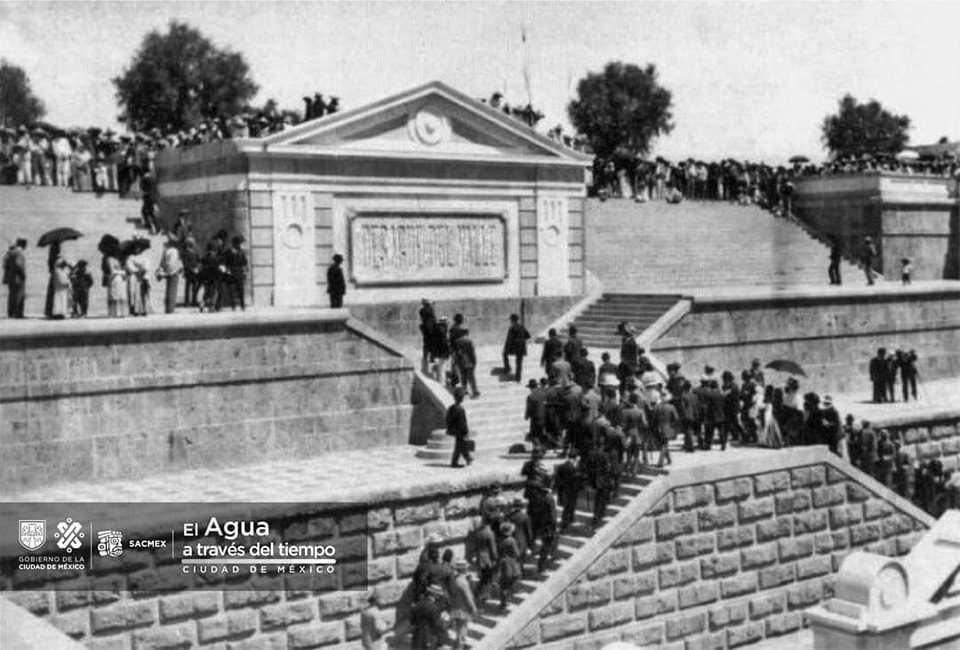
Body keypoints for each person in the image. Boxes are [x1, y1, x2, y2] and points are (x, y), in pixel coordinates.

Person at [465, 517, 497, 605]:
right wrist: (495, 558)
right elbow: (492, 548)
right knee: (487, 578)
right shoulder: (489, 533)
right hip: (487, 558)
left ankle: (483, 594)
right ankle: (482, 595)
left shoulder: (476, 533)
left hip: (479, 557)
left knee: (484, 576)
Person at [447, 559, 476, 649]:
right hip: (462, 609)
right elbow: (468, 597)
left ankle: (458, 645)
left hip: (455, 607)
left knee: (459, 629)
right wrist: (473, 608)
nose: (467, 569)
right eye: (466, 568)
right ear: (463, 569)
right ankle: (459, 647)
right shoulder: (463, 582)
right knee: (462, 630)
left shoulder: (454, 579)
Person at [410, 584, 447, 649]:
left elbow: (412, 621)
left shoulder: (417, 604)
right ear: (435, 595)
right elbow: (438, 626)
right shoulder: (434, 608)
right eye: (439, 595)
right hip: (429, 638)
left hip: (416, 637)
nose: (439, 597)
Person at [553, 449, 580, 533]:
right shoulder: (573, 468)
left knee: (567, 508)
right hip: (571, 491)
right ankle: (564, 526)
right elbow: (576, 480)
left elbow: (557, 479)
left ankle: (569, 521)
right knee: (568, 508)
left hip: (563, 490)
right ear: (575, 458)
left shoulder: (561, 466)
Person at [497, 521, 521, 610]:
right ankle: (508, 598)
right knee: (512, 580)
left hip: (501, 563)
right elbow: (517, 553)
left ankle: (503, 602)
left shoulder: (499, 539)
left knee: (503, 584)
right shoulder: (511, 540)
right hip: (510, 564)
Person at [446, 388, 472, 468]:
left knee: (459, 446)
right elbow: (463, 423)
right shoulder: (460, 410)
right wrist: (466, 432)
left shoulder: (451, 408)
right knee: (461, 445)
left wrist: (450, 428)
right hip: (460, 431)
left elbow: (447, 419)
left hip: (454, 430)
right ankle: (466, 458)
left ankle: (465, 459)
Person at [502, 313, 530, 382]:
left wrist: (506, 348)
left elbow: (509, 340)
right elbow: (528, 336)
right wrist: (521, 340)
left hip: (514, 347)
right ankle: (518, 377)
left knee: (504, 354)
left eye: (511, 320)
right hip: (521, 348)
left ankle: (507, 368)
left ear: (512, 320)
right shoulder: (522, 327)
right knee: (519, 363)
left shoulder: (512, 328)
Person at [3, 239, 27, 318]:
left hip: (10, 278)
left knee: (11, 296)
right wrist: (23, 274)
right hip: (18, 278)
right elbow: (19, 264)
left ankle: (11, 313)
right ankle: (18, 313)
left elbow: (4, 265)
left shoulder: (9, 253)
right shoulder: (19, 253)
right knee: (19, 295)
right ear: (23, 245)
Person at [157, 239, 182, 314]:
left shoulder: (166, 250)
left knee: (168, 290)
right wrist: (175, 270)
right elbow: (173, 263)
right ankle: (171, 308)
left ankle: (167, 307)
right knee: (173, 291)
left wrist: (163, 271)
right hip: (173, 271)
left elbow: (162, 261)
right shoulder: (174, 251)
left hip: (167, 270)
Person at [223, 235, 248, 310]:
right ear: (236, 244)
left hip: (239, 273)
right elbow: (224, 263)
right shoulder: (228, 252)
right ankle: (233, 305)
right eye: (241, 243)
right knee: (231, 290)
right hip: (231, 273)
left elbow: (245, 262)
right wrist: (226, 271)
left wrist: (245, 271)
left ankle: (242, 305)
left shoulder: (241, 252)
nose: (242, 245)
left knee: (241, 290)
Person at [452, 329, 479, 398]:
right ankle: (475, 391)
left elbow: (456, 353)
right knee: (471, 377)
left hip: (461, 362)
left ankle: (465, 390)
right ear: (466, 333)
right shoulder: (469, 341)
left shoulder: (457, 341)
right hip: (469, 362)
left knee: (463, 376)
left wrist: (456, 362)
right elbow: (472, 353)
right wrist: (474, 362)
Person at [125, 249, 149, 316]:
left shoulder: (144, 257)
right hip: (134, 277)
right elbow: (129, 266)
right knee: (134, 293)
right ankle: (135, 309)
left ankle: (144, 309)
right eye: (136, 248)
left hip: (143, 277)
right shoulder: (131, 257)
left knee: (143, 293)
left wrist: (141, 272)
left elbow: (146, 267)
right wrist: (137, 271)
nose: (137, 249)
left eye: (139, 248)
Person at [106, 252, 127, 318]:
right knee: (115, 295)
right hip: (116, 279)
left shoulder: (117, 260)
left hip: (118, 279)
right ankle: (115, 313)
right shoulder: (110, 259)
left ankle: (119, 313)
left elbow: (114, 271)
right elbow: (112, 271)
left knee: (118, 295)